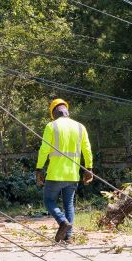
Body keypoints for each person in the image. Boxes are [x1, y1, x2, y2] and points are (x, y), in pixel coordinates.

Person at [35, 98, 94, 244]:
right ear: (66, 111)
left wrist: (38, 169)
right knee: (69, 205)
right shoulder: (80, 127)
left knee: (48, 200)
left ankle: (62, 221)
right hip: (72, 174)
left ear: (54, 113)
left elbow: (44, 150)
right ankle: (68, 237)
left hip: (55, 173)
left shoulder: (51, 126)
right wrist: (89, 168)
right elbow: (87, 150)